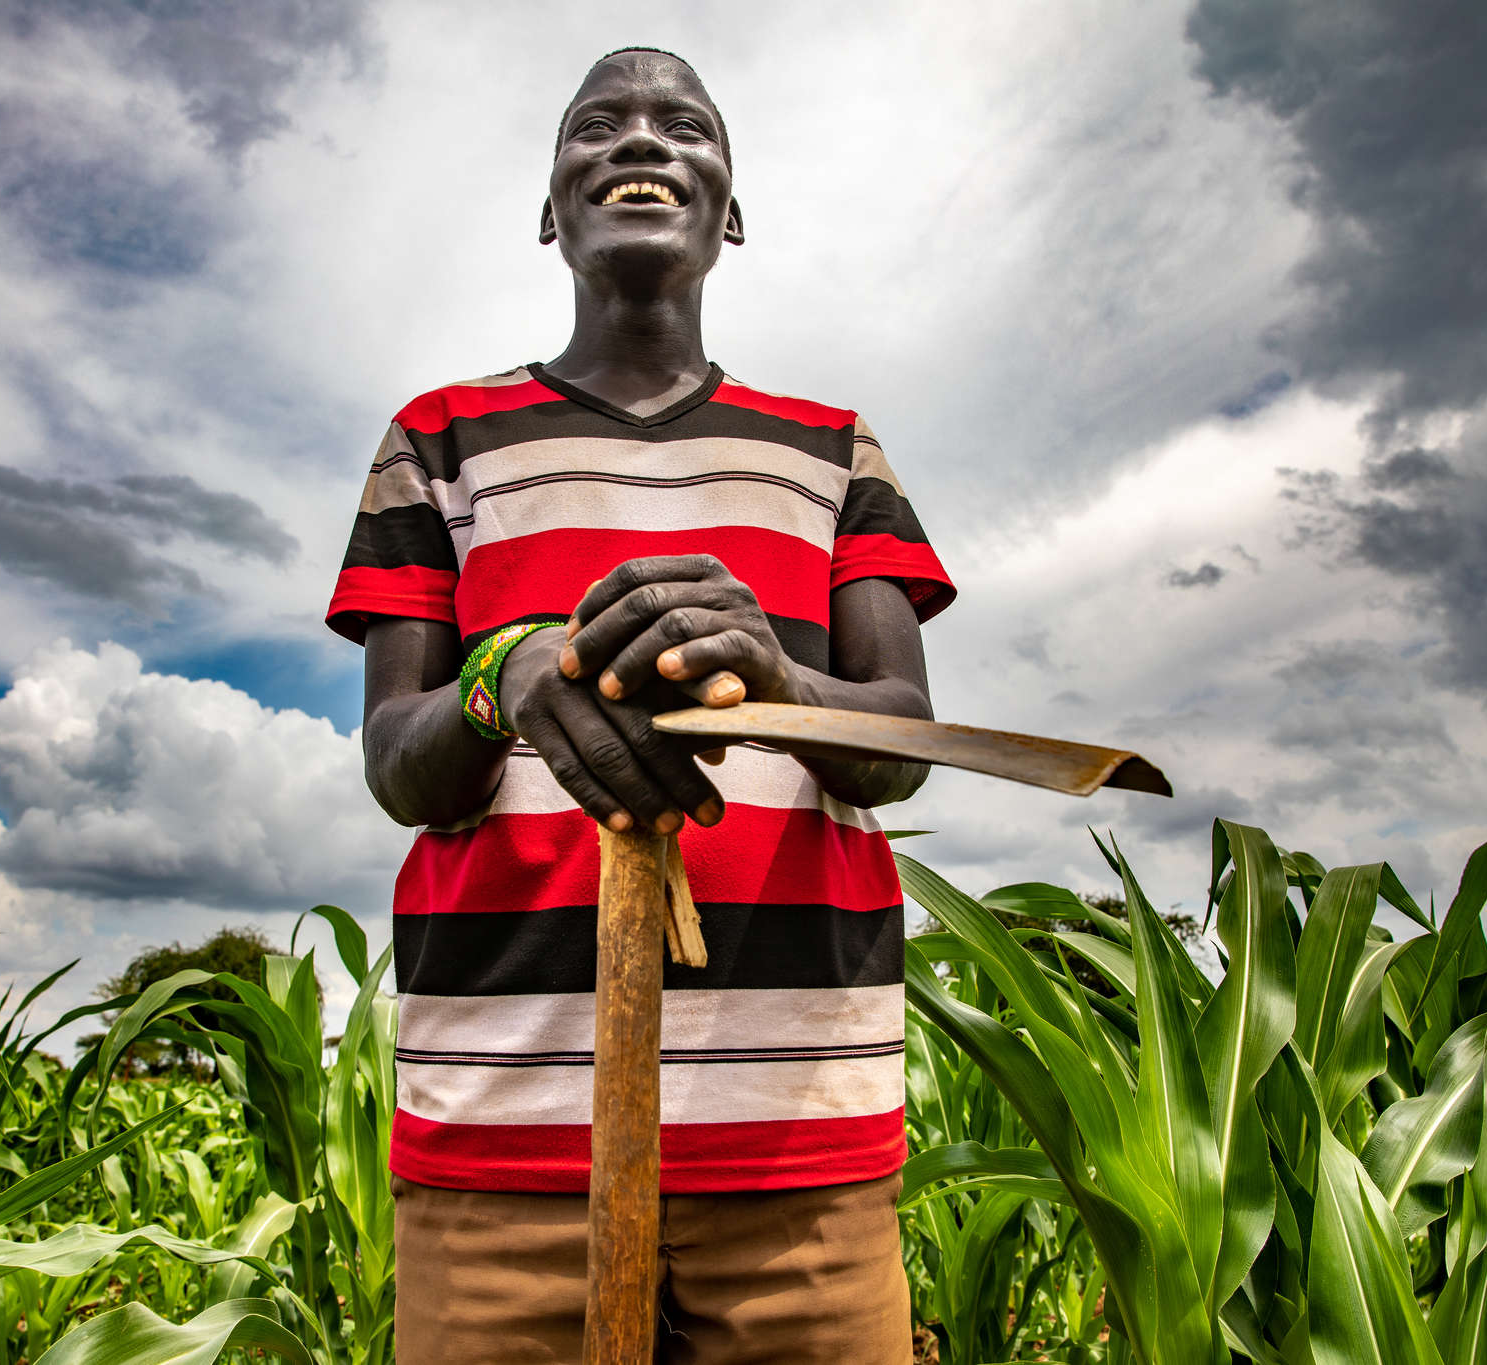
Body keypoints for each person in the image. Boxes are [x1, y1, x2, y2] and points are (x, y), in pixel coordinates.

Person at [326, 46, 953, 1363]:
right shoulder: (438, 440)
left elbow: (900, 743)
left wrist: (782, 680)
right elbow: (399, 762)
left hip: (799, 1134)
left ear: (731, 208)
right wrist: (511, 677)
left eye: (685, 124)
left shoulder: (833, 449)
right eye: (597, 123)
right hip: (502, 1129)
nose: (640, 140)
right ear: (552, 207)